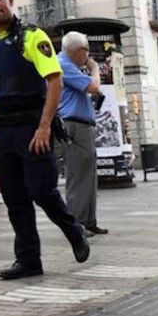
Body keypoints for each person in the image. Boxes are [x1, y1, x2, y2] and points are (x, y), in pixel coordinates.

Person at [0, 0, 90, 280]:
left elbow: (54, 80)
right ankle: (28, 260)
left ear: (9, 0)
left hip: (32, 125)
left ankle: (73, 229)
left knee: (41, 190)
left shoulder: (31, 37)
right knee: (14, 198)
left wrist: (43, 127)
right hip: (4, 129)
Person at [57, 31, 107, 236]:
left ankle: (88, 220)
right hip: (74, 126)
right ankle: (76, 224)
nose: (88, 57)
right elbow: (94, 87)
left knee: (88, 175)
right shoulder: (64, 64)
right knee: (78, 176)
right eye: (86, 52)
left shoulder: (71, 67)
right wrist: (95, 69)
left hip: (82, 126)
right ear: (79, 51)